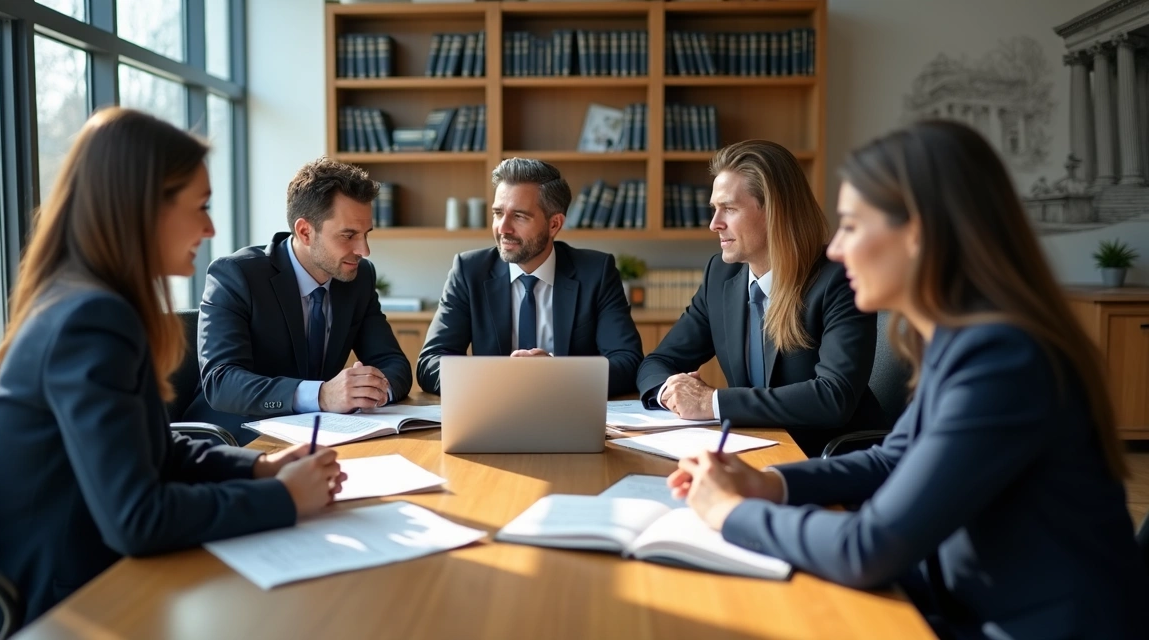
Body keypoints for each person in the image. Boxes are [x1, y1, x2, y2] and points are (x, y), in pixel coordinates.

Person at [669, 121, 1149, 639]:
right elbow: (892, 458)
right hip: (963, 601)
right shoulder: (958, 338)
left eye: (852, 226)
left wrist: (730, 513)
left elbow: (868, 548)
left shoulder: (1002, 358)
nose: (834, 250)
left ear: (916, 233)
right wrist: (770, 482)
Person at [0, 108, 344, 638]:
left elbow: (153, 448)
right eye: (201, 207)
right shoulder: (90, 319)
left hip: (89, 574)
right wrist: (284, 499)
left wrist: (260, 469)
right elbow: (137, 519)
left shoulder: (90, 302)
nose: (211, 227)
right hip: (53, 602)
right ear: (142, 209)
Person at [636, 140, 884, 456]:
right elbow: (659, 362)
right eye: (714, 209)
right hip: (753, 450)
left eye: (729, 208)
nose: (715, 224)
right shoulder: (721, 276)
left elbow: (833, 397)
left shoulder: (838, 280)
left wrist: (709, 402)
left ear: (773, 211)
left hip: (829, 460)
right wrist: (670, 393)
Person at [185, 158, 412, 443]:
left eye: (366, 234)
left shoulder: (358, 278)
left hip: (320, 438)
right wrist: (321, 395)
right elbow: (222, 383)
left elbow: (393, 363)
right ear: (305, 231)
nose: (364, 250)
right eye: (349, 235)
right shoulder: (236, 275)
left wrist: (371, 389)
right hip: (236, 440)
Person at [416, 158, 643, 396]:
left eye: (519, 216)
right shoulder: (469, 271)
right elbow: (430, 363)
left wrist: (556, 373)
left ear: (554, 224)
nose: (503, 228)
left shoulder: (596, 272)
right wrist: (503, 378)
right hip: (493, 411)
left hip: (568, 408)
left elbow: (627, 362)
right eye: (498, 213)